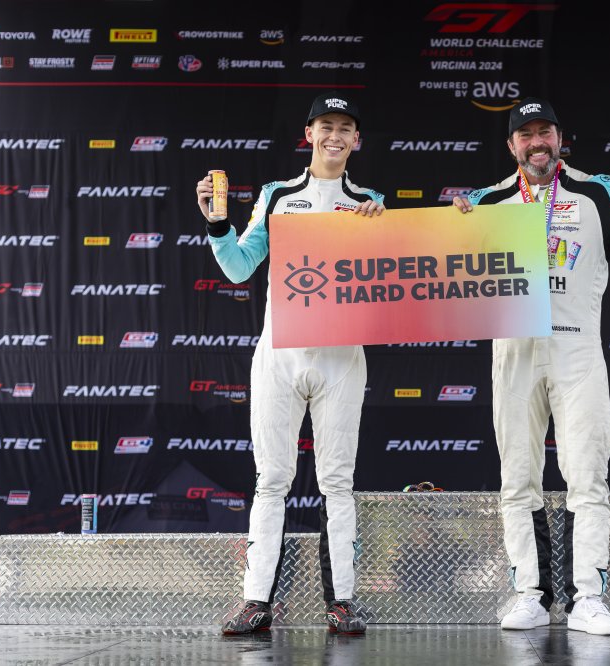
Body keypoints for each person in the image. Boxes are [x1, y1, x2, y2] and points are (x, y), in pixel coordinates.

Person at [453, 97, 610, 635]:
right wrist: (453, 224)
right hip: (513, 351)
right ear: (511, 145)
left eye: (546, 133)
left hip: (576, 349)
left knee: (587, 475)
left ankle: (589, 599)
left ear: (560, 139)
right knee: (517, 478)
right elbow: (441, 269)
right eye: (526, 134)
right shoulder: (486, 202)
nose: (537, 143)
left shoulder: (600, 192)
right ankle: (528, 596)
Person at [195, 92, 385, 636]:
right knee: (272, 480)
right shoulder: (278, 195)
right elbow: (239, 267)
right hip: (280, 353)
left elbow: (389, 281)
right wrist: (217, 224)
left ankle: (342, 601)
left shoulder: (371, 200)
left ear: (356, 140)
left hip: (342, 357)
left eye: (344, 127)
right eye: (326, 126)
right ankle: (256, 601)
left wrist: (380, 229)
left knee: (338, 482)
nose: (334, 136)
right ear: (309, 134)